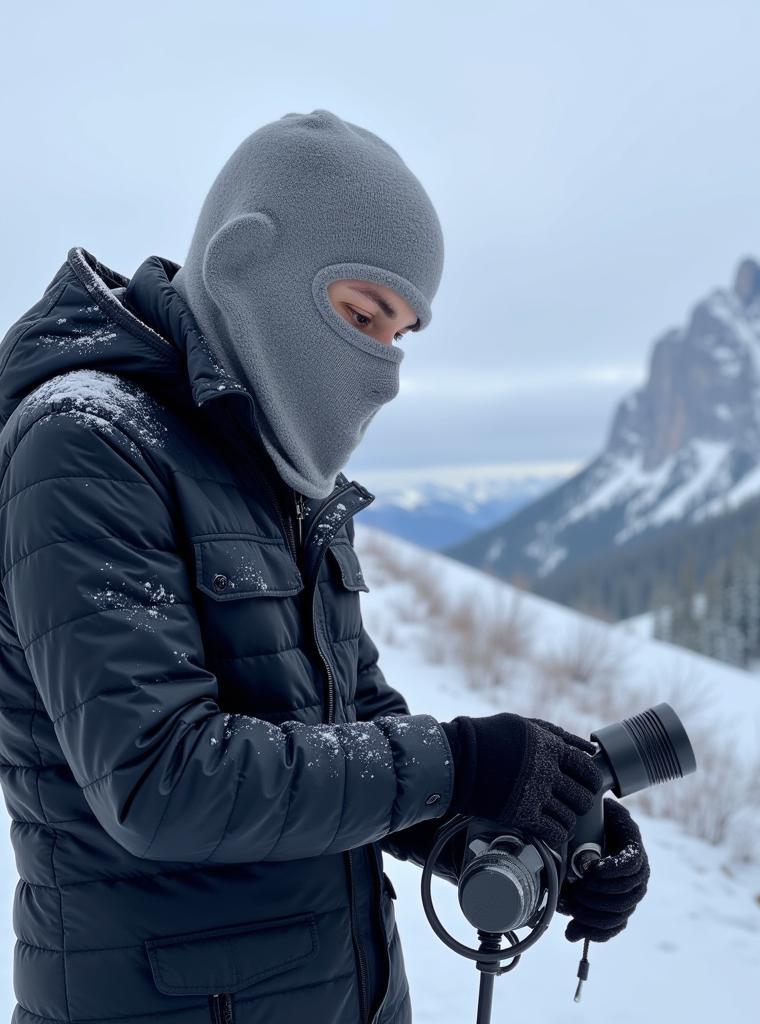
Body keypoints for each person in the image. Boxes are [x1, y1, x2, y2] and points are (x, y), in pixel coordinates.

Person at [0, 109, 650, 1024]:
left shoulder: (277, 467)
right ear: (244, 264)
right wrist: (462, 762)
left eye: (401, 334)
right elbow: (162, 779)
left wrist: (528, 833)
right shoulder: (88, 447)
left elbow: (355, 729)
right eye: (360, 315)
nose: (381, 365)